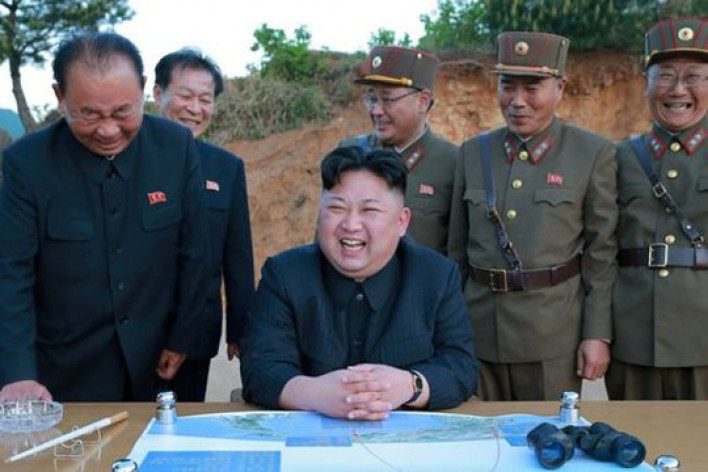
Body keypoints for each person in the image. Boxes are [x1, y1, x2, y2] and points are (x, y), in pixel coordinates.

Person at [0, 32, 207, 402]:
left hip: (160, 362)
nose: (109, 130)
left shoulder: (176, 147)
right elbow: (11, 273)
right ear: (60, 96)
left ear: (143, 89)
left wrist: (182, 336)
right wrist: (18, 373)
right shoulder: (26, 164)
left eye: (123, 112)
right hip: (63, 371)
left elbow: (194, 253)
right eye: (90, 114)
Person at [240, 146, 477, 420]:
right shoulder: (284, 275)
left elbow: (461, 365)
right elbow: (260, 367)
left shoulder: (436, 276)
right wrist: (316, 393)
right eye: (337, 208)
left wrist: (410, 385)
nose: (351, 224)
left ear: (402, 222)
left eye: (369, 210)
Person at [447, 32, 618, 401]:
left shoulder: (591, 154)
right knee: (478, 432)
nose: (517, 101)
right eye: (508, 86)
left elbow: (601, 254)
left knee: (548, 433)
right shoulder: (473, 153)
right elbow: (456, 251)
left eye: (532, 88)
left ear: (560, 88)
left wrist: (596, 334)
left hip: (551, 333)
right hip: (478, 331)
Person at [608, 18, 708, 400]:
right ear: (645, 83)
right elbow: (599, 251)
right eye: (665, 75)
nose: (678, 90)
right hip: (634, 337)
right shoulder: (617, 158)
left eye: (694, 77)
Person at [153, 48, 255, 402]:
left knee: (183, 420)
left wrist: (240, 328)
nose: (195, 108)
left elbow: (238, 253)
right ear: (158, 94)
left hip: (196, 329)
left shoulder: (226, 167)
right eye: (185, 95)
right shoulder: (130, 158)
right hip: (134, 329)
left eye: (205, 99)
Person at [339, 46, 458, 255]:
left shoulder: (453, 163)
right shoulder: (350, 153)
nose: (376, 111)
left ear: (423, 101)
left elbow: (458, 250)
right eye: (372, 99)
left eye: (387, 99)